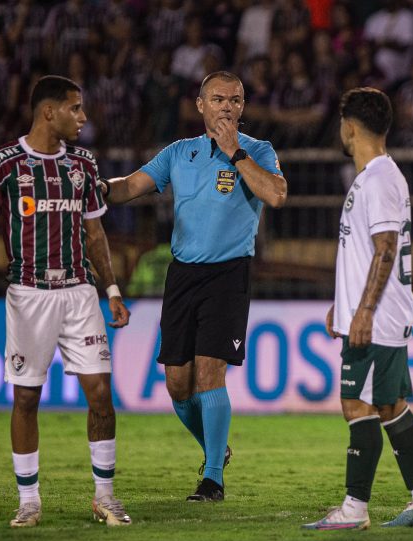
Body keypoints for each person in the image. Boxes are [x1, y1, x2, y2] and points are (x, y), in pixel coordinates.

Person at [100, 71, 287, 502]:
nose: (227, 107)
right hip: (182, 275)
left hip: (228, 274)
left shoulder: (257, 150)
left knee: (209, 375)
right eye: (218, 99)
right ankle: (216, 451)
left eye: (236, 100)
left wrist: (235, 153)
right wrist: (96, 188)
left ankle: (213, 479)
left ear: (243, 106)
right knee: (177, 385)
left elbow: (276, 195)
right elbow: (130, 186)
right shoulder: (179, 153)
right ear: (200, 105)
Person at [0, 75, 132, 528]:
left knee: (100, 395)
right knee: (27, 398)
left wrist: (110, 291)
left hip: (79, 292)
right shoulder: (5, 163)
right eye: (75, 108)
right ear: (48, 112)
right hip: (28, 294)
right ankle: (29, 500)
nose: (83, 117)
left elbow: (95, 234)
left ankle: (105, 497)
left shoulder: (85, 165)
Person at [303, 88, 413, 531]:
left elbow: (385, 249)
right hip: (375, 312)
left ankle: (354, 508)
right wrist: (344, 305)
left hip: (378, 316)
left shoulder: (379, 178)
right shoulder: (375, 176)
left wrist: (362, 312)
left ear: (349, 125)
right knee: (389, 404)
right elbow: (369, 252)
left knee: (357, 403)